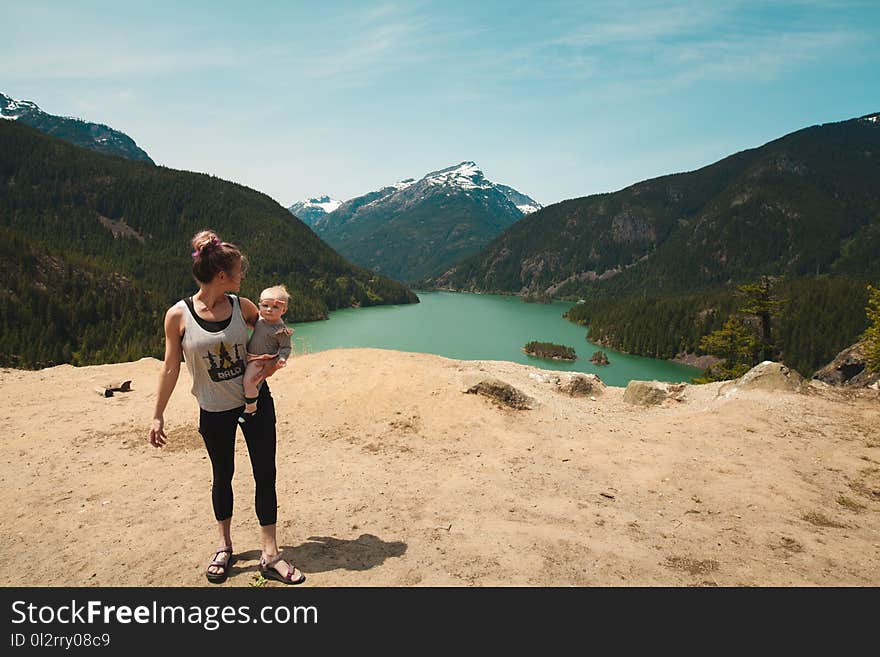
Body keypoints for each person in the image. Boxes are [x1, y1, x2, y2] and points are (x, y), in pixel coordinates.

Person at [148, 230, 305, 585]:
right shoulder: (179, 315)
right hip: (214, 408)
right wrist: (158, 413)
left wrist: (273, 363)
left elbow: (269, 331)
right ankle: (224, 545)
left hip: (255, 404)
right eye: (238, 270)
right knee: (223, 476)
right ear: (222, 275)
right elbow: (170, 366)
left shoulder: (243, 306)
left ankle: (270, 553)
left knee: (266, 474)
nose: (242, 275)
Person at [238, 285, 293, 425]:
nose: (269, 309)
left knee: (249, 382)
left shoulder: (280, 330)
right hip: (251, 356)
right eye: (265, 305)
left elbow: (286, 347)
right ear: (259, 305)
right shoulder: (260, 320)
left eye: (275, 307)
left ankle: (251, 409)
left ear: (284, 310)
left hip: (260, 361)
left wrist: (281, 358)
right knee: (254, 383)